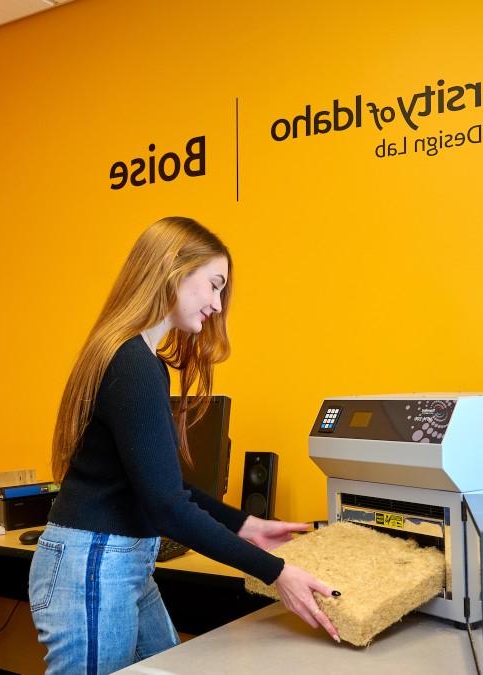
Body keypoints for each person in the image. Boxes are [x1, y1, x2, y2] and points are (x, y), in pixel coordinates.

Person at [28, 216, 339, 674]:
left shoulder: (139, 359)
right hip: (94, 565)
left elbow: (162, 490)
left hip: (120, 561)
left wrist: (245, 525)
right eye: (214, 285)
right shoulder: (131, 361)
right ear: (173, 269)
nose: (216, 304)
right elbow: (166, 506)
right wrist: (275, 573)